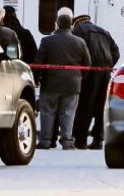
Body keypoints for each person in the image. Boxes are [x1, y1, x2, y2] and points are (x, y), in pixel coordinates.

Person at [35, 11, 91, 150]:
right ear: (71, 25)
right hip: (72, 84)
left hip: (50, 84)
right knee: (68, 112)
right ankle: (67, 141)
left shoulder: (47, 41)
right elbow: (87, 63)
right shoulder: (80, 42)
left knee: (47, 112)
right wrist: (79, 77)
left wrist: (37, 78)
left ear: (57, 24)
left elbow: (39, 62)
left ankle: (45, 141)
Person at [71, 14, 120, 150]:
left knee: (85, 105)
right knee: (101, 106)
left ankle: (81, 140)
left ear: (76, 22)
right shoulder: (104, 32)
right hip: (105, 72)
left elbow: (76, 51)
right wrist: (108, 65)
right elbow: (116, 53)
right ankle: (98, 139)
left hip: (89, 72)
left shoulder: (79, 30)